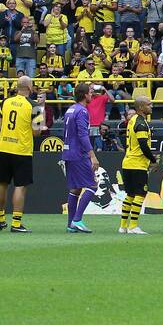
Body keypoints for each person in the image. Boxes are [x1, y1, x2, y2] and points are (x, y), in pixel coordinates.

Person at [0, 78, 42, 233]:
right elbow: (37, 132)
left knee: (3, 183)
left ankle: (0, 219)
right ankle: (16, 223)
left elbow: (2, 124)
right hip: (21, 149)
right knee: (20, 186)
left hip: (4, 146)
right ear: (30, 87)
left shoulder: (5, 102)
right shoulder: (35, 106)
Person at [62, 83, 99, 233]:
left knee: (75, 188)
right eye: (90, 92)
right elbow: (83, 135)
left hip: (68, 152)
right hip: (78, 153)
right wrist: (92, 155)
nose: (92, 95)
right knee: (92, 185)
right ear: (85, 95)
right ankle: (77, 219)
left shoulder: (70, 109)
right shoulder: (82, 111)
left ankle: (71, 224)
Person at [118, 95, 154, 235]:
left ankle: (123, 226)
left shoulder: (132, 120)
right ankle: (133, 226)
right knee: (140, 194)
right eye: (149, 104)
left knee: (130, 195)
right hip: (137, 163)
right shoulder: (141, 124)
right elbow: (144, 145)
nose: (151, 106)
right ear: (141, 107)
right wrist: (153, 160)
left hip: (128, 162)